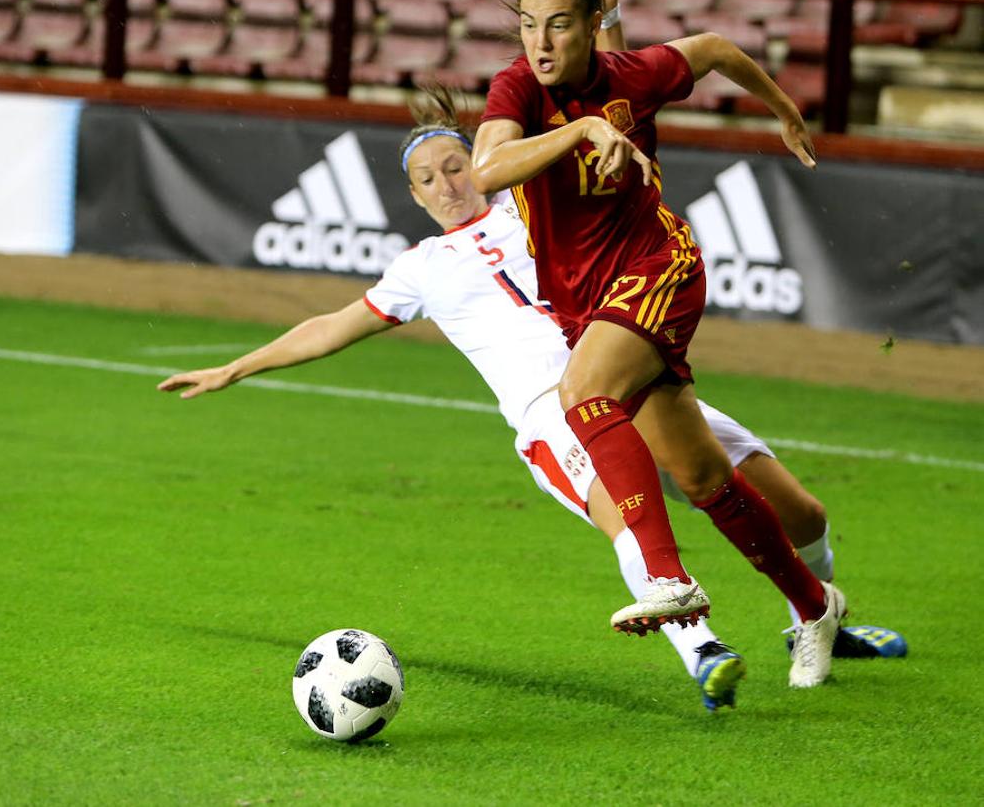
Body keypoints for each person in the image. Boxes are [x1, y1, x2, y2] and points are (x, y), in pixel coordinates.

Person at [158, 88, 903, 714]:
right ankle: (701, 650)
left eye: (455, 165)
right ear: (413, 198)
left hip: (629, 378)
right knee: (628, 520)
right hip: (551, 410)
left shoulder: (530, 206)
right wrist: (235, 367)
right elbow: (330, 327)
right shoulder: (419, 268)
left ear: (479, 165)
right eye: (428, 178)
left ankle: (820, 614)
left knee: (798, 510)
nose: (447, 183)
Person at [469, 0, 847, 689]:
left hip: (658, 268)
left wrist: (782, 108)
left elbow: (711, 49)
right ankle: (815, 606)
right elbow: (485, 169)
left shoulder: (630, 76)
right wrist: (578, 132)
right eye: (527, 24)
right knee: (705, 475)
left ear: (591, 23)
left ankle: (666, 580)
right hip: (586, 301)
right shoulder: (515, 90)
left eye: (558, 25)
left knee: (582, 395)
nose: (539, 43)